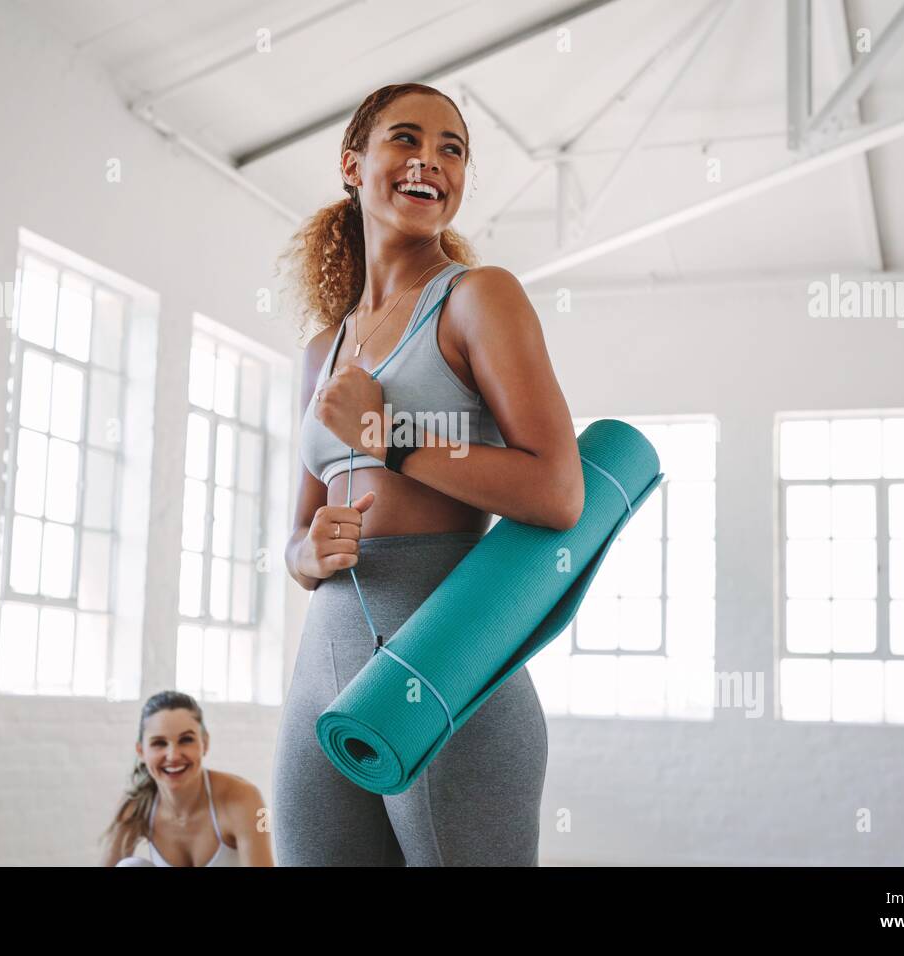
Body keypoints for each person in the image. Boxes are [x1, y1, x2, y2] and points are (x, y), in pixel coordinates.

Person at [271, 82, 584, 866]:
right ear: (353, 164)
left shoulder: (479, 300)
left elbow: (558, 490)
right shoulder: (323, 349)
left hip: (444, 669)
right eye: (406, 140)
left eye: (453, 149)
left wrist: (387, 434)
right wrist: (306, 555)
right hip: (323, 665)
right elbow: (297, 535)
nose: (430, 162)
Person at [101, 690, 274, 866]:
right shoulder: (134, 805)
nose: (173, 755)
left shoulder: (246, 798)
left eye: (186, 740)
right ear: (141, 752)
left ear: (204, 744)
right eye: (159, 743)